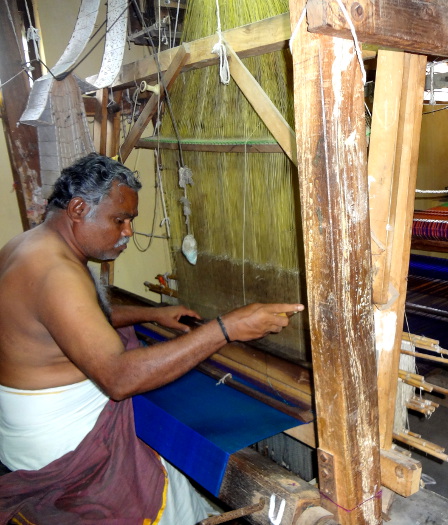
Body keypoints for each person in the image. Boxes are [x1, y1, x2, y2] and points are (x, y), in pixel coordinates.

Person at [0, 153, 304, 524]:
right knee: (165, 500)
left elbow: (73, 323)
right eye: (120, 220)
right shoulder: (56, 272)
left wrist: (153, 313)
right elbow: (119, 378)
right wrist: (226, 329)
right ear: (78, 208)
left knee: (169, 475)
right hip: (63, 445)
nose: (128, 231)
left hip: (21, 430)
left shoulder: (27, 247)